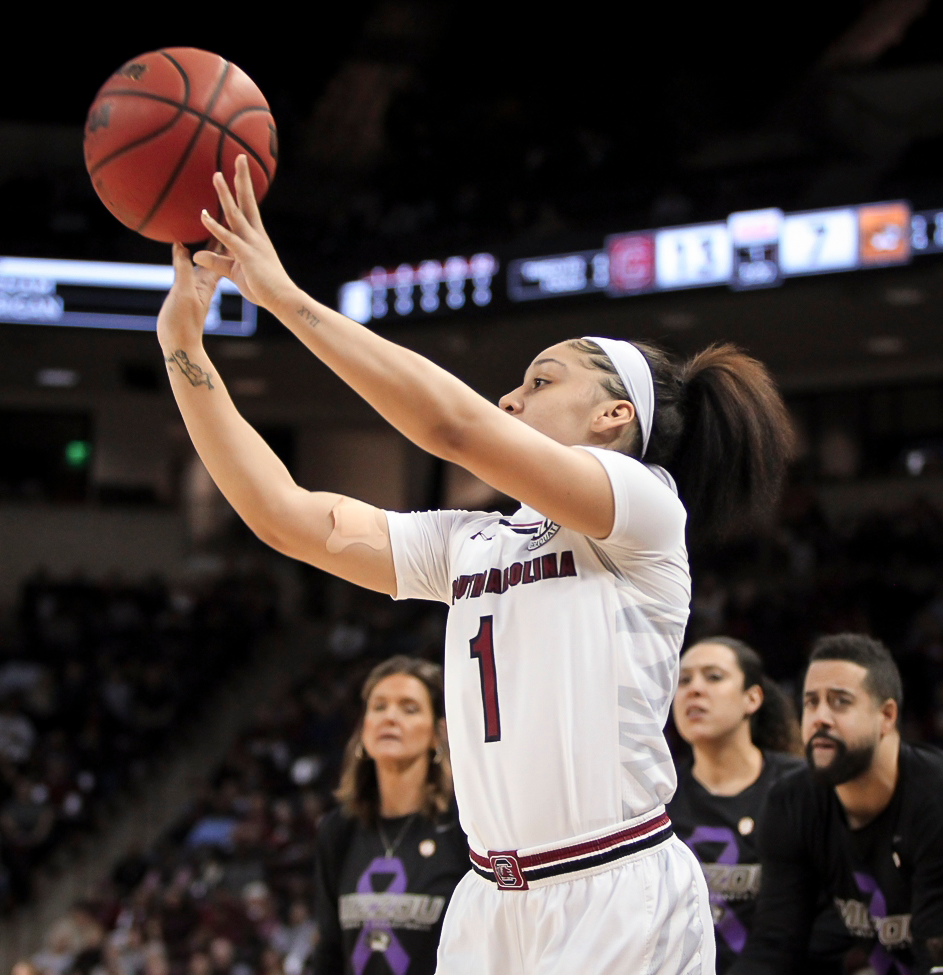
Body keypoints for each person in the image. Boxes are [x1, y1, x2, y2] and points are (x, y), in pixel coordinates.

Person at [156, 155, 794, 974]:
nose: (510, 399)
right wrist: (183, 345)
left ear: (612, 415)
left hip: (613, 888)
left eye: (540, 379)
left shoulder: (640, 506)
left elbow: (451, 428)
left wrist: (280, 292)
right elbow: (284, 517)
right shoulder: (473, 542)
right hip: (488, 903)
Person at [733, 633, 943, 975]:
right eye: (810, 702)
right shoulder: (790, 802)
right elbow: (775, 945)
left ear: (886, 716)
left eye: (840, 701)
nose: (820, 717)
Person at [312, 656, 469, 975]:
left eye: (409, 708)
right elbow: (329, 951)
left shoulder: (465, 827)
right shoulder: (338, 830)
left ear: (438, 733)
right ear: (364, 728)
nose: (390, 718)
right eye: (379, 707)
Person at [667, 637, 803, 973]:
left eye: (713, 677)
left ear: (752, 697)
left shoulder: (800, 787)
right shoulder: (657, 799)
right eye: (683, 680)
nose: (693, 689)